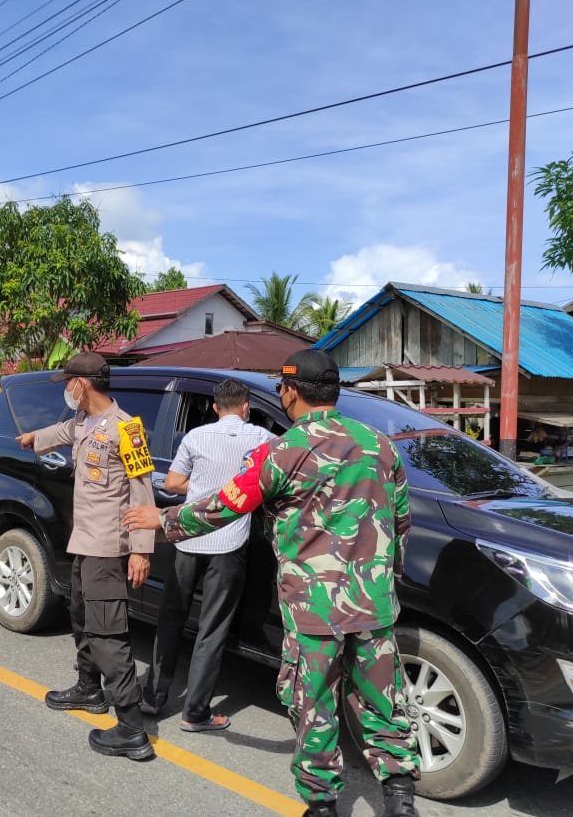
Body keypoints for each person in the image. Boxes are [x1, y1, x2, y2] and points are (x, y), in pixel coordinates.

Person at [123, 350, 420, 817]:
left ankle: (322, 805)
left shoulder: (283, 449)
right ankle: (400, 798)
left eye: (281, 388)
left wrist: (164, 520)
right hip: (373, 603)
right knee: (384, 701)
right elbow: (401, 521)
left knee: (316, 704)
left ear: (290, 391)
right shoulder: (381, 445)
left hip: (313, 609)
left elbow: (227, 502)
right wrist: (386, 578)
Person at [17, 352, 156, 762]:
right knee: (80, 617)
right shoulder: (83, 422)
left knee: (108, 633)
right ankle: (89, 688)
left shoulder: (126, 429)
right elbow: (62, 431)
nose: (66, 388)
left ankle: (132, 728)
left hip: (108, 548)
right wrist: (34, 438)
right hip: (84, 543)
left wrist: (141, 550)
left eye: (68, 382)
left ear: (84, 384)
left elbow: (142, 491)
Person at [141, 377, 275, 732]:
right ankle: (195, 712)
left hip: (187, 539)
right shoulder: (262, 438)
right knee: (211, 629)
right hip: (229, 545)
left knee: (171, 618)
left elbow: (171, 484)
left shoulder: (196, 437)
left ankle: (153, 696)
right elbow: (276, 478)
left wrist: (202, 488)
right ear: (246, 407)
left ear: (215, 407)